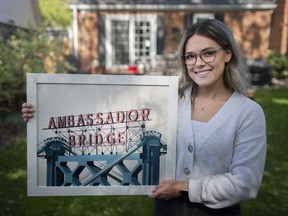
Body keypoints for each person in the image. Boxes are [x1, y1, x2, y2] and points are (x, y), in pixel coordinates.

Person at [22, 19, 266, 216]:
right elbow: (106, 116)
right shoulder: (171, 100)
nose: (198, 63)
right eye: (190, 56)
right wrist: (42, 112)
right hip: (166, 210)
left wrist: (184, 187)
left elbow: (245, 184)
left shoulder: (247, 113)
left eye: (208, 53)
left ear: (227, 54)